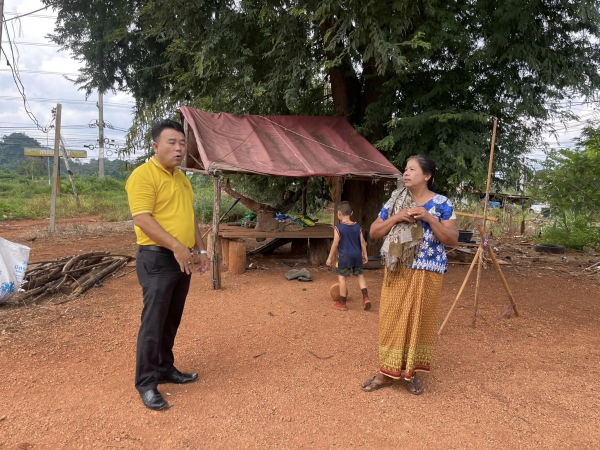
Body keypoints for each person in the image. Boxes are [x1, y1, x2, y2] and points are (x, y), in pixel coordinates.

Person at [125, 119, 210, 410]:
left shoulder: (182, 178)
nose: (178, 149)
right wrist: (177, 247)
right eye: (171, 143)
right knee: (153, 323)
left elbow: (189, 216)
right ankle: (146, 383)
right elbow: (142, 218)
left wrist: (201, 249)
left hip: (181, 259)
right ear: (155, 146)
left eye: (182, 143)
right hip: (157, 259)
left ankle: (164, 368)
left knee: (171, 318)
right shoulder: (143, 176)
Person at [362, 155, 458, 395]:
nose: (405, 173)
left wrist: (429, 218)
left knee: (419, 321)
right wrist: (397, 217)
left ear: (427, 176)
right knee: (391, 318)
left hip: (428, 271)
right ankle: (386, 372)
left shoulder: (442, 204)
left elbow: (452, 239)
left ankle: (411, 372)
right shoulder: (396, 200)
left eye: (412, 169)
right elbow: (374, 231)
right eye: (405, 169)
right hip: (398, 270)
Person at [326, 201, 370, 311]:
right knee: (360, 276)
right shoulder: (357, 226)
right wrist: (365, 254)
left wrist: (330, 257)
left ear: (339, 214)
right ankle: (366, 298)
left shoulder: (338, 228)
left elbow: (335, 244)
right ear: (351, 213)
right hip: (357, 255)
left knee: (342, 278)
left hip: (345, 257)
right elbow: (362, 241)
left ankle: (343, 303)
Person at [222, 178, 307, 214]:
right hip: (270, 209)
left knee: (247, 201)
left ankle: (228, 190)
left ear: (291, 196)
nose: (285, 194)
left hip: (272, 211)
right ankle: (228, 190)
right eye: (285, 193)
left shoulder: (291, 201)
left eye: (288, 194)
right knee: (247, 202)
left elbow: (299, 192)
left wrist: (307, 184)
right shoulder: (283, 200)